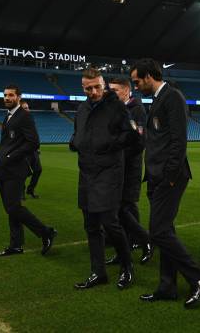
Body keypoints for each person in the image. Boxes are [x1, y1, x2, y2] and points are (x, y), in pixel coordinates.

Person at [130, 59, 200, 309]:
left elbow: (179, 141)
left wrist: (170, 175)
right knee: (166, 230)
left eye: (136, 82)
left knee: (159, 231)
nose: (135, 87)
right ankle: (167, 287)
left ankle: (198, 276)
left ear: (148, 77)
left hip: (169, 176)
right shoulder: (158, 99)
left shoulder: (172, 97)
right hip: (156, 176)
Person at [69, 68, 135, 290]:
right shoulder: (82, 109)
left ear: (103, 84)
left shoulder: (115, 106)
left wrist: (109, 145)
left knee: (110, 223)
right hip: (86, 172)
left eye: (97, 86)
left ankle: (127, 268)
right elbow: (78, 132)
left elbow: (129, 135)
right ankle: (98, 272)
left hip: (109, 172)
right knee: (91, 226)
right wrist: (75, 142)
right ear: (83, 88)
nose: (94, 91)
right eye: (89, 88)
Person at [0, 84, 57, 257]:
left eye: (11, 95)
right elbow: (6, 144)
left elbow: (33, 142)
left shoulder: (24, 116)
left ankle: (45, 232)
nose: (7, 98)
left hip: (15, 170)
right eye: (5, 95)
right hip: (4, 170)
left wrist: (9, 158)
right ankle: (16, 245)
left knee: (13, 208)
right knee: (11, 209)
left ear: (18, 97)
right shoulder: (8, 117)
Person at [106, 77, 153, 265]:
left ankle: (142, 240)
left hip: (130, 168)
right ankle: (128, 245)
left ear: (126, 90)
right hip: (117, 167)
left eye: (115, 90)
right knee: (121, 208)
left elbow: (140, 142)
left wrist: (118, 154)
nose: (111, 93)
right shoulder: (115, 109)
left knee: (126, 207)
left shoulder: (137, 110)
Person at [19, 101, 42, 199]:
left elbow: (34, 136)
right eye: (25, 108)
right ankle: (21, 192)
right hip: (23, 152)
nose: (27, 110)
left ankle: (30, 190)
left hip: (33, 151)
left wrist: (37, 148)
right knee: (23, 173)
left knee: (38, 170)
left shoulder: (31, 120)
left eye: (28, 108)